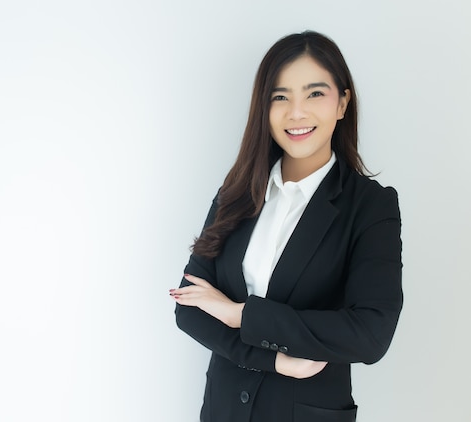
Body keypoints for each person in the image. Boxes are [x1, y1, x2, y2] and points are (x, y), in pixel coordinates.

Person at [170, 30, 402, 422]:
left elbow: (370, 333)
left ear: (343, 103)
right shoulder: (237, 191)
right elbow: (190, 309)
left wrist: (241, 315)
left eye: (314, 94)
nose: (296, 112)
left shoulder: (370, 205)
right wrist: (277, 360)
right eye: (280, 97)